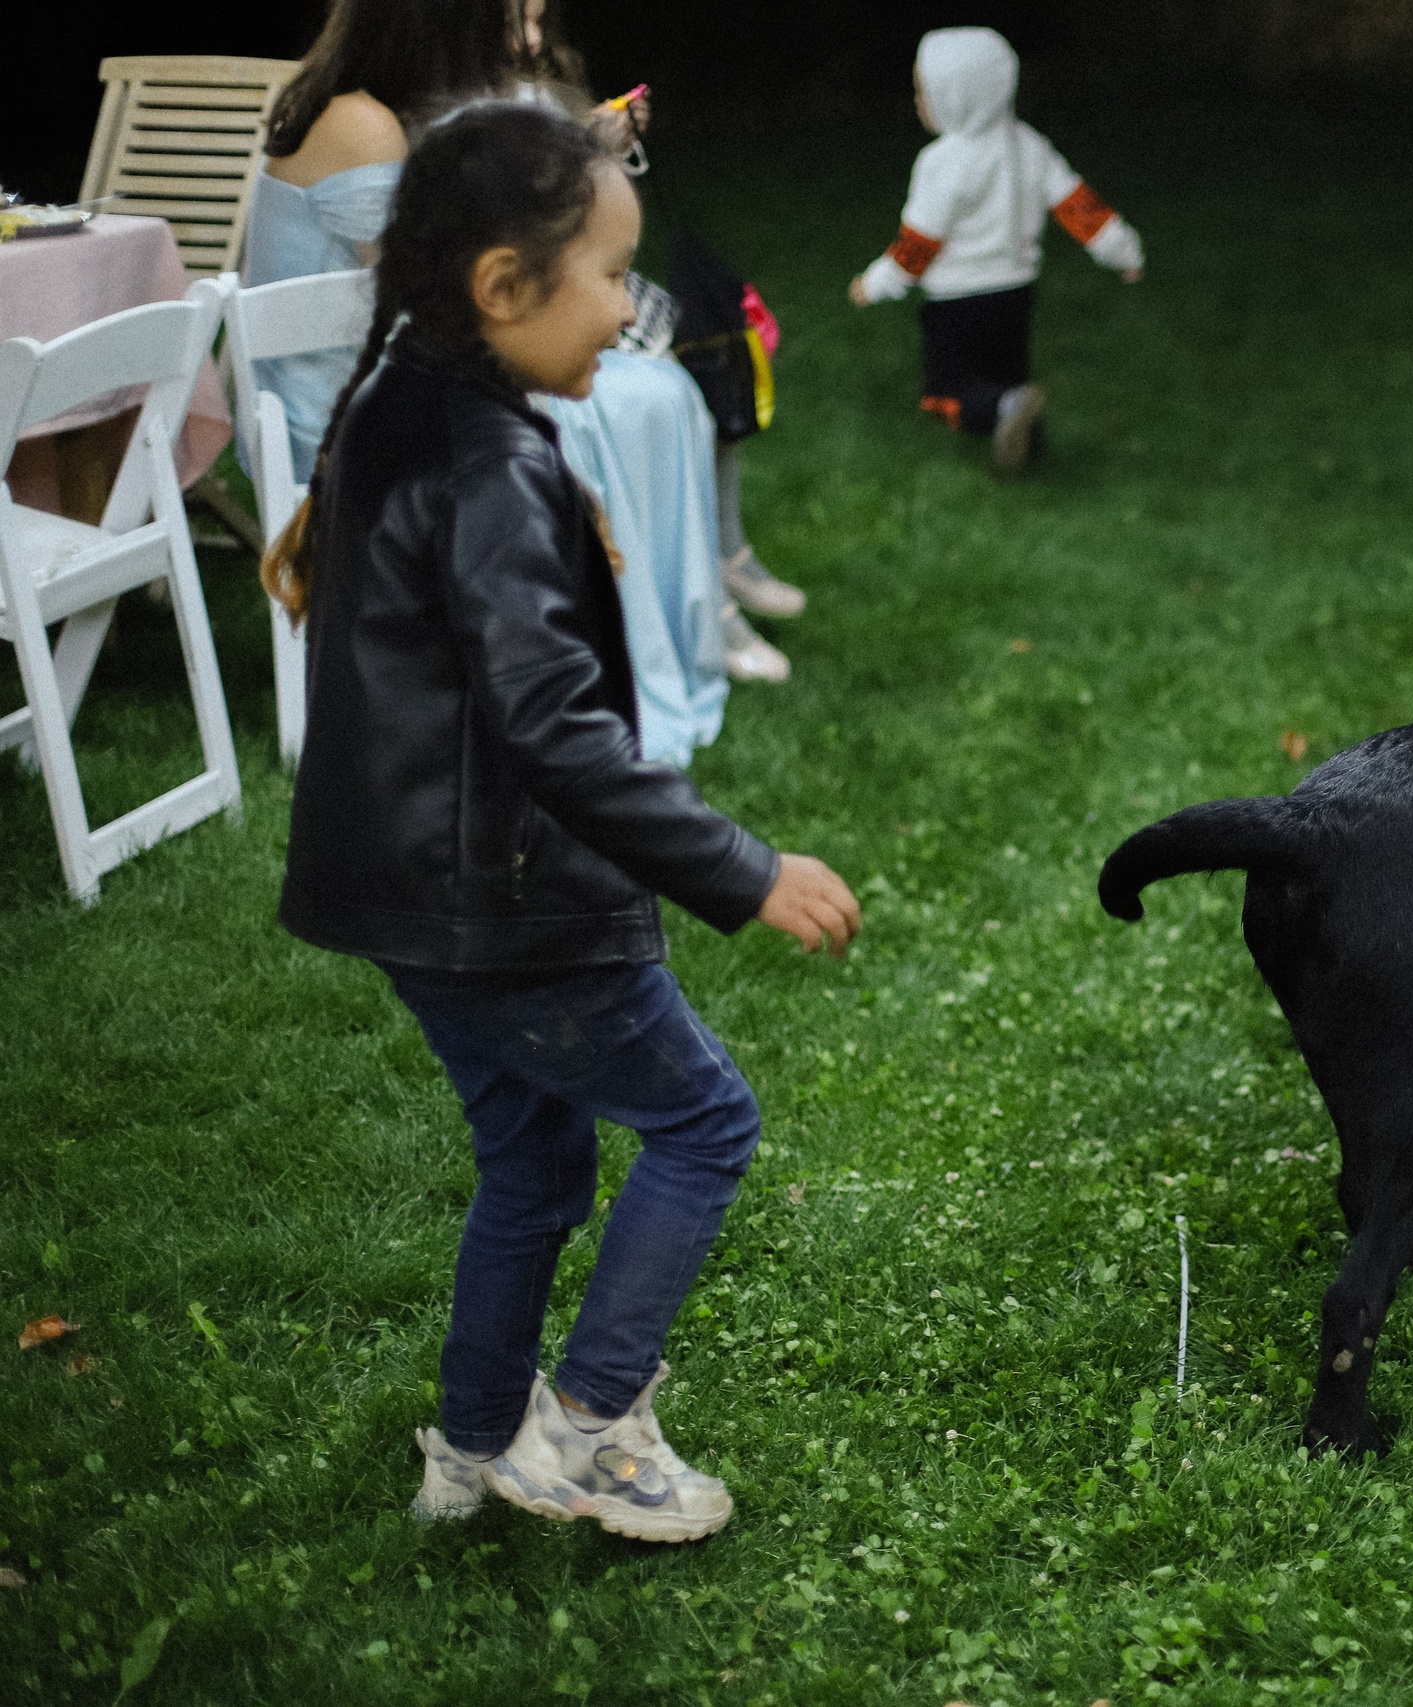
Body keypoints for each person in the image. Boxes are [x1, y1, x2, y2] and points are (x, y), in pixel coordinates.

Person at [263, 101, 861, 1543]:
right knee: (705, 1120)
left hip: (407, 895)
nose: (629, 308)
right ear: (500, 285)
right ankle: (587, 1431)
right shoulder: (488, 465)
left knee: (532, 1167)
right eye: (607, 274)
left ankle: (471, 1452)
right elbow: (553, 730)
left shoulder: (399, 396)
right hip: (507, 897)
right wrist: (745, 868)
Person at [246, 0, 796, 759]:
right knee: (618, 401)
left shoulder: (374, 110)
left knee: (654, 393)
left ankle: (649, 637)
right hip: (341, 419)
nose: (515, 42)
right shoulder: (359, 124)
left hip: (391, 378)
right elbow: (446, 294)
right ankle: (588, 667)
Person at [849, 26, 1144, 473]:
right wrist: (1123, 250)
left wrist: (875, 284)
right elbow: (1078, 206)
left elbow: (920, 242)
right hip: (1015, 295)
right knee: (1007, 376)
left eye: (925, 91)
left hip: (955, 302)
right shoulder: (1030, 145)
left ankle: (1007, 411)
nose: (918, 101)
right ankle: (1027, 443)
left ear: (959, 96)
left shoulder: (942, 162)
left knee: (946, 394)